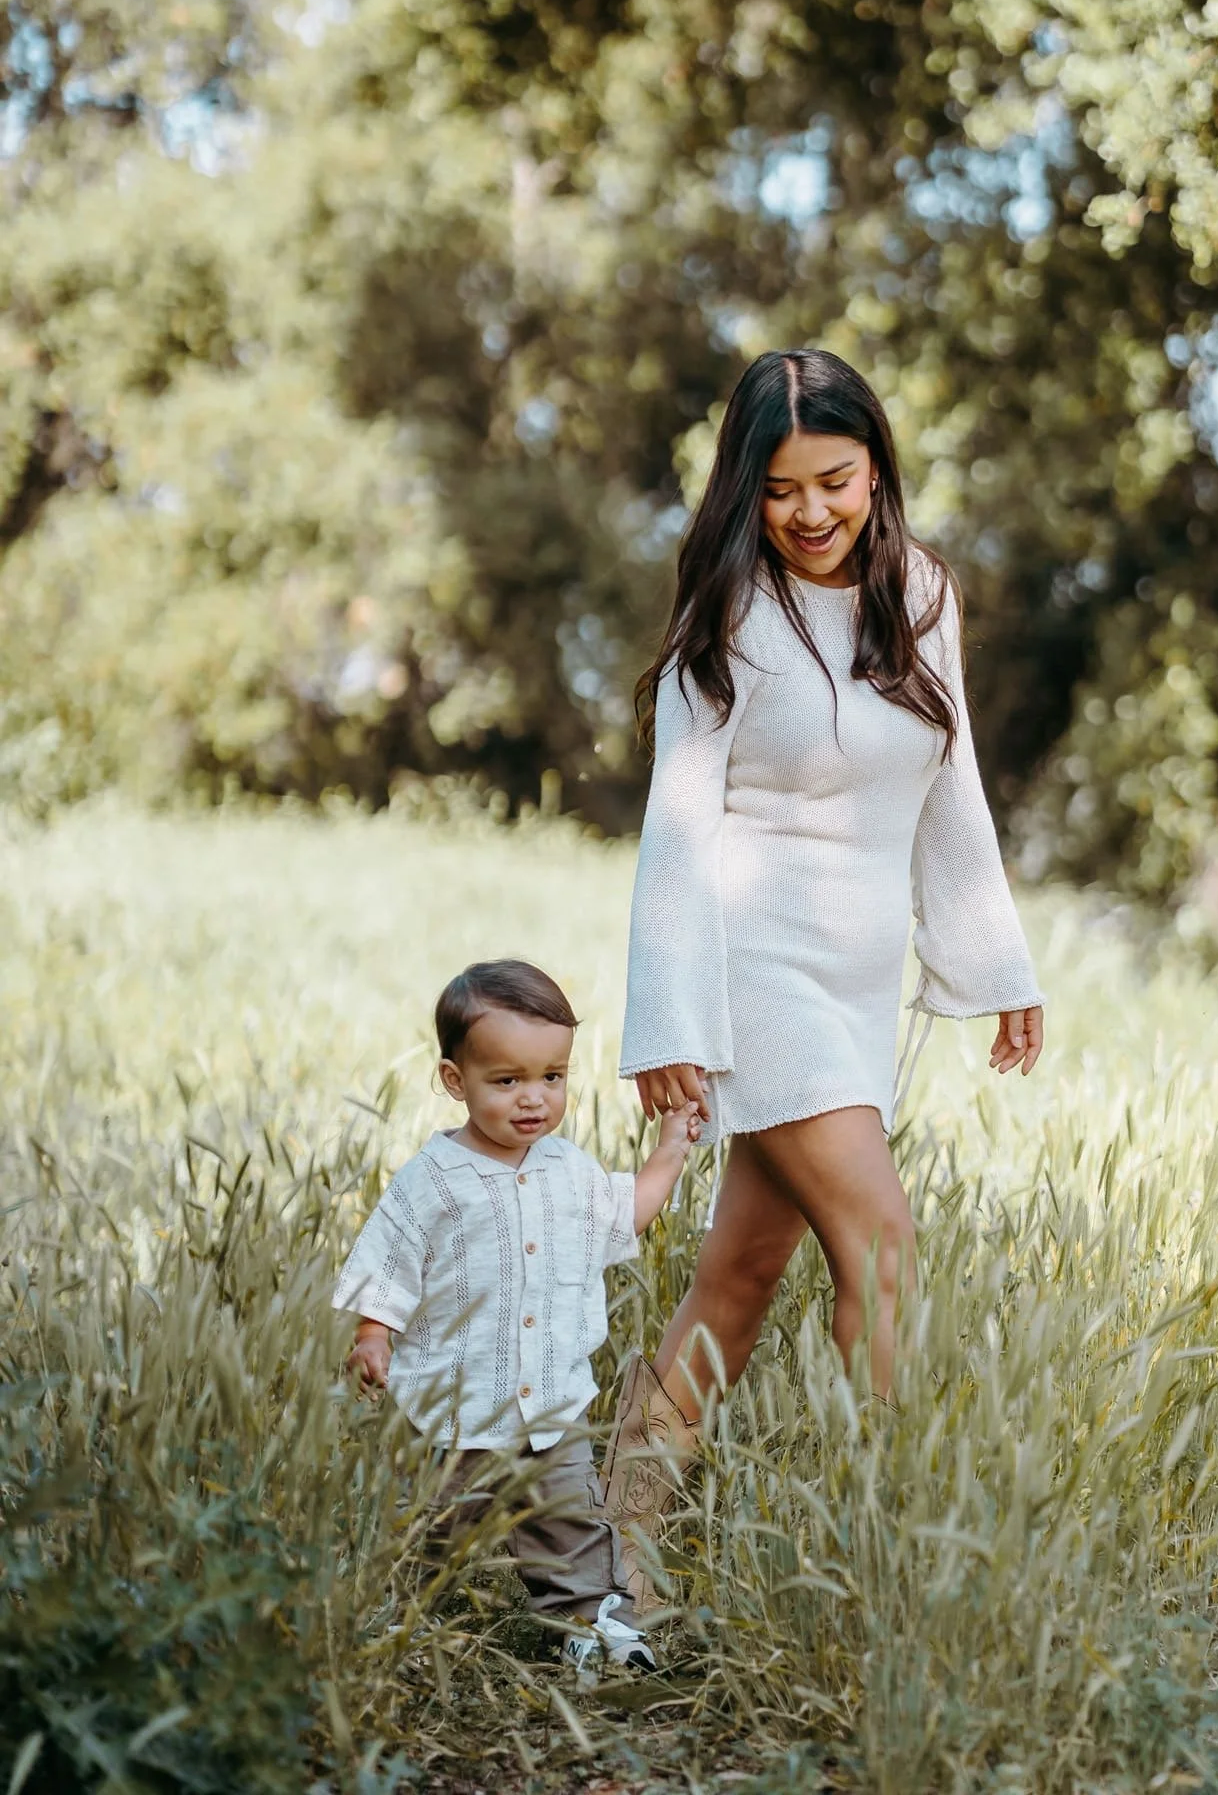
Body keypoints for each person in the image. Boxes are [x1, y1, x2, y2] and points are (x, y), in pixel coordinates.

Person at [602, 347, 1044, 1599]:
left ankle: (611, 1566)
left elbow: (950, 781)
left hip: (856, 983)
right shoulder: (728, 613)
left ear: (876, 469)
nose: (809, 512)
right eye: (781, 487)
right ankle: (877, 1566)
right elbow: (677, 826)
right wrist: (666, 1020)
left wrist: (997, 958)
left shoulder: (921, 593)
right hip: (756, 967)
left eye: (835, 480)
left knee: (738, 1276)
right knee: (881, 1245)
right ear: (745, 486)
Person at [334, 958, 701, 1676]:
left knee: (575, 1529)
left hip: (552, 1414)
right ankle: (391, 1620)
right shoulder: (432, 1181)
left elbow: (625, 1215)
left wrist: (670, 1150)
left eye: (552, 1077)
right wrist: (373, 1334)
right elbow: (388, 1262)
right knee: (429, 1531)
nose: (533, 1098)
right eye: (506, 1081)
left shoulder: (570, 1169)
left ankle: (594, 1626)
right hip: (454, 1418)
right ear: (455, 1081)